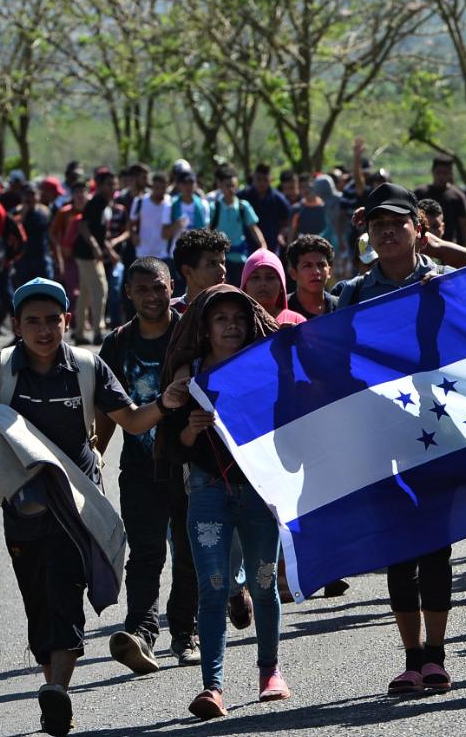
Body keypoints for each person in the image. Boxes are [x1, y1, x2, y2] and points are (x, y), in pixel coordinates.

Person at [0, 277, 190, 737]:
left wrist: (165, 404)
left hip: (78, 502)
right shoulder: (0, 370)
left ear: (67, 321)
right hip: (25, 504)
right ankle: (53, 682)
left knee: (66, 591)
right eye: (33, 321)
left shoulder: (88, 367)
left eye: (53, 320)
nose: (45, 330)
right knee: (38, 600)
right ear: (17, 325)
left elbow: (130, 420)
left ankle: (59, 690)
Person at [331, 182, 462, 693]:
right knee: (399, 546)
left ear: (417, 229)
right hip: (379, 435)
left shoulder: (446, 283)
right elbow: (331, 356)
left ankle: (437, 654)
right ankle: (411, 659)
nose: (387, 232)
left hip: (440, 431)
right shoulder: (354, 294)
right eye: (377, 225)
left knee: (436, 546)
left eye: (397, 223)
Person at [159, 285, 292, 719]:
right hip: (207, 492)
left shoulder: (265, 367)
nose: (231, 325)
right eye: (221, 319)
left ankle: (270, 671)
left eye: (238, 317)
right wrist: (192, 429)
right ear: (205, 328)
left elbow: (288, 420)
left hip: (257, 491)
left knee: (264, 581)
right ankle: (212, 687)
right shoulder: (189, 378)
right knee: (213, 587)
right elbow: (174, 446)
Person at [95, 257, 200, 673]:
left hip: (190, 465)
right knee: (146, 554)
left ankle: (186, 632)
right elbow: (107, 409)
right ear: (129, 293)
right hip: (140, 469)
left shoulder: (188, 333)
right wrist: (97, 453)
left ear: (171, 285)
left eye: (158, 288)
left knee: (190, 552)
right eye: (142, 290)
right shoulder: (117, 344)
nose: (152, 297)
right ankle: (140, 633)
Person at [71, 171, 120, 345]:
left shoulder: (106, 203)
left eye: (114, 184)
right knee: (100, 289)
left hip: (91, 253)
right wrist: (95, 248)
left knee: (85, 293)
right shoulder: (96, 202)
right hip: (86, 254)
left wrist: (108, 249)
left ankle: (78, 332)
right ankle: (98, 332)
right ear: (99, 186)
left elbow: (100, 231)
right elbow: (84, 227)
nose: (113, 187)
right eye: (109, 184)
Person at [206, 165, 264, 285]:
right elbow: (207, 230)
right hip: (220, 260)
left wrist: (263, 246)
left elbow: (254, 228)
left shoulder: (243, 206)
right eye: (228, 186)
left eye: (233, 186)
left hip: (240, 258)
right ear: (220, 186)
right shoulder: (214, 208)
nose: (231, 189)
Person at [240, 248, 306, 326]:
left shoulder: (297, 321)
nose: (263, 283)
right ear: (245, 285)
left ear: (282, 285)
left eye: (270, 278)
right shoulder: (237, 323)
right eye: (255, 277)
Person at [416, 156, 466, 247]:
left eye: (445, 173)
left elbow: (465, 225)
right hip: (422, 245)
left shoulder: (457, 196)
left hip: (448, 246)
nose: (441, 176)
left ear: (451, 174)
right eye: (439, 172)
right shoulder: (420, 192)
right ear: (433, 172)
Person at [170, 229, 231, 314]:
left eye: (222, 263)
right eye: (212, 263)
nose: (223, 270)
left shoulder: (233, 310)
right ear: (187, 271)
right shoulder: (169, 313)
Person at [239, 163, 292, 254]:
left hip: (272, 247)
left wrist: (282, 232)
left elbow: (289, 220)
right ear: (253, 177)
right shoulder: (242, 196)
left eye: (265, 180)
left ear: (270, 179)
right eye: (259, 179)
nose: (262, 183)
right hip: (246, 248)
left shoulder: (278, 199)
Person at [285, 234, 337, 320]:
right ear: (293, 274)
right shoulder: (281, 310)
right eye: (307, 266)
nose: (316, 271)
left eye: (321, 265)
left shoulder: (342, 307)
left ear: (329, 271)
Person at [130, 170, 176, 264]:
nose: (160, 190)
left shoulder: (170, 203)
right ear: (152, 186)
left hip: (163, 256)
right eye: (157, 187)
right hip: (142, 254)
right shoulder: (139, 202)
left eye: (163, 188)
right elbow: (131, 224)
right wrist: (134, 235)